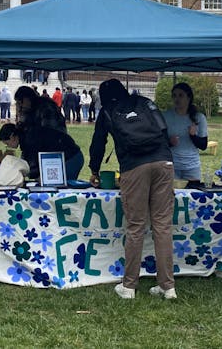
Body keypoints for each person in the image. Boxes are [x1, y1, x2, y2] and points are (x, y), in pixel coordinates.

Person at [88, 78, 175, 300]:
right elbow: (164, 129)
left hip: (133, 167)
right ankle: (168, 287)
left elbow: (99, 143)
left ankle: (129, 286)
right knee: (162, 225)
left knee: (136, 226)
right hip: (163, 162)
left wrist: (95, 170)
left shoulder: (107, 111)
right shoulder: (145, 102)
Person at [0, 123, 84, 181]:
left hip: (71, 158)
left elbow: (32, 167)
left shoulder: (29, 140)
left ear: (12, 137)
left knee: (61, 187)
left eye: (7, 143)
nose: (8, 146)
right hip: (67, 156)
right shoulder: (26, 136)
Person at [164, 83, 209, 186]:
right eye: (174, 95)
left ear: (189, 98)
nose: (177, 99)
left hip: (192, 167)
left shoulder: (199, 118)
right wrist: (169, 142)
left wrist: (193, 136)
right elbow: (158, 141)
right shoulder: (166, 116)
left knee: (193, 198)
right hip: (172, 166)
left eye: (181, 95)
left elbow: (203, 145)